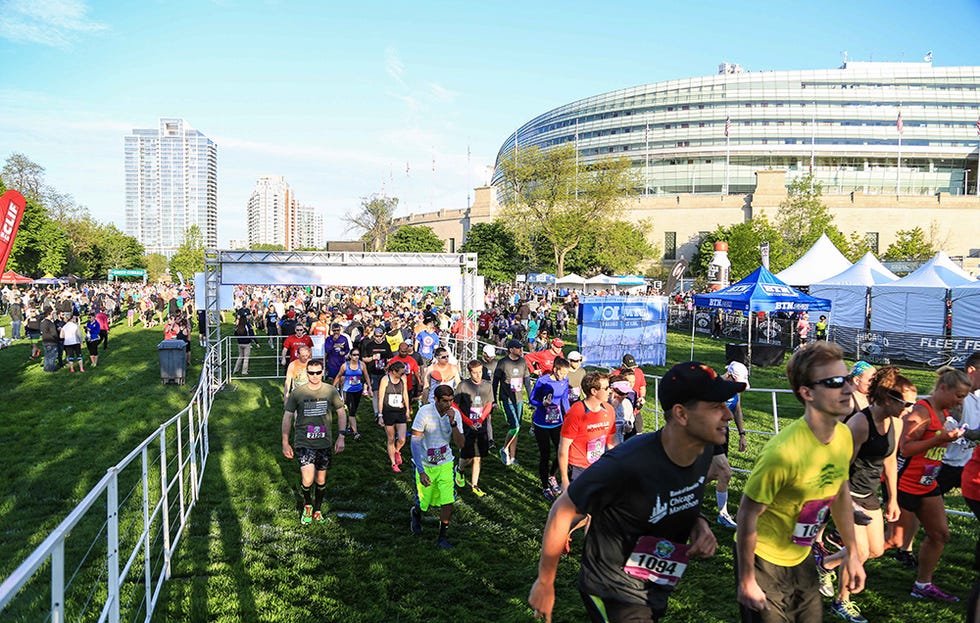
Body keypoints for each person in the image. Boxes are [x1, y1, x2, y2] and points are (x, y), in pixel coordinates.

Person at [528, 361, 743, 623]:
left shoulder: (703, 450)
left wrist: (698, 523)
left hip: (652, 587)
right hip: (611, 588)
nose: (729, 415)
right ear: (682, 414)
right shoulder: (628, 463)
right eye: (715, 407)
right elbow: (563, 509)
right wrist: (545, 582)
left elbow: (676, 491)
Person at [736, 341, 866, 623]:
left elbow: (840, 494)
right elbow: (747, 514)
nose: (848, 388)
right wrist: (746, 578)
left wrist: (853, 553)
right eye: (834, 382)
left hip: (801, 555)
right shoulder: (783, 452)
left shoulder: (843, 436)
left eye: (846, 378)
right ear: (807, 393)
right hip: (763, 560)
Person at [814, 367, 914, 622]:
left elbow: (890, 460)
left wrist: (892, 498)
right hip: (848, 492)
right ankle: (841, 602)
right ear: (890, 399)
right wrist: (846, 503)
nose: (911, 409)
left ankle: (825, 564)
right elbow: (840, 467)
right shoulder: (859, 423)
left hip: (870, 493)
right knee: (857, 550)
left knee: (876, 549)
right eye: (907, 403)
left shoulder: (897, 422)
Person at [890, 366, 969, 602]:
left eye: (964, 397)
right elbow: (905, 448)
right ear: (943, 388)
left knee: (940, 534)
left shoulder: (944, 413)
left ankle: (922, 585)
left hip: (927, 483)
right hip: (905, 483)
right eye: (958, 396)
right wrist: (940, 439)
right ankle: (833, 562)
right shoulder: (921, 413)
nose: (960, 402)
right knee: (890, 541)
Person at [281, 359, 348, 525]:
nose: (315, 376)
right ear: (306, 373)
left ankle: (317, 510)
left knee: (320, 480)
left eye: (318, 372)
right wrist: (285, 441)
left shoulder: (330, 391)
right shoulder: (298, 393)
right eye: (311, 373)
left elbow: (341, 412)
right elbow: (287, 416)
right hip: (304, 442)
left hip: (324, 442)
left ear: (323, 372)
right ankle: (308, 505)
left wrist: (341, 436)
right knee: (308, 479)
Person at [409, 384, 466, 549]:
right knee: (424, 502)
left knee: (448, 500)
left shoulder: (455, 414)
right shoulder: (425, 412)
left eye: (451, 400)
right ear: (436, 399)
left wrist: (453, 423)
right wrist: (420, 470)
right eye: (444, 401)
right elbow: (415, 442)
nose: (448, 404)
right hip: (426, 463)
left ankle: (442, 536)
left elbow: (461, 444)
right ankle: (416, 512)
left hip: (445, 463)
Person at [558, 371, 617, 494]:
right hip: (578, 468)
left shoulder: (609, 410)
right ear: (594, 391)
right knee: (579, 508)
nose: (610, 391)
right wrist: (564, 479)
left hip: (600, 465)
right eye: (606, 388)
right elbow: (563, 447)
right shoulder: (576, 412)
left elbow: (611, 442)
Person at [709, 361, 748, 529]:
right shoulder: (714, 386)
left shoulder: (734, 389)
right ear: (730, 376)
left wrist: (742, 434)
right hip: (709, 432)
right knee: (725, 472)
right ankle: (723, 515)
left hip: (724, 433)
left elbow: (737, 410)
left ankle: (683, 489)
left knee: (712, 473)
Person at [936, 351, 980, 496]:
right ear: (971, 370)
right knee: (923, 506)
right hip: (945, 464)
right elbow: (952, 430)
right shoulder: (957, 399)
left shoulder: (977, 396)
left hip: (965, 463)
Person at [530, 357, 572, 501]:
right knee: (545, 455)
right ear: (555, 369)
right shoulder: (543, 381)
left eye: (567, 373)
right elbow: (532, 399)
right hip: (541, 423)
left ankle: (552, 476)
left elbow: (565, 399)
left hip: (557, 422)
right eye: (562, 373)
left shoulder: (565, 381)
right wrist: (542, 404)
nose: (564, 376)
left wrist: (570, 416)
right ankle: (545, 487)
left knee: (562, 451)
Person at [455, 359, 495, 496]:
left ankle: (475, 485)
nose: (478, 375)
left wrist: (481, 419)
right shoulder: (463, 386)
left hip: (481, 424)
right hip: (467, 425)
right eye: (475, 373)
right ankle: (459, 469)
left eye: (480, 372)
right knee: (467, 455)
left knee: (478, 457)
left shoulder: (487, 386)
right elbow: (455, 405)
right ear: (469, 372)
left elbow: (489, 404)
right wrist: (467, 421)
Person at [493, 338, 531, 466]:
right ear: (511, 349)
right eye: (518, 348)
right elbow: (495, 382)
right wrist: (494, 399)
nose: (521, 350)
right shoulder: (503, 363)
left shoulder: (523, 362)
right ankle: (504, 449)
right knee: (514, 425)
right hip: (506, 399)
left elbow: (526, 381)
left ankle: (512, 457)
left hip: (519, 398)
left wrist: (531, 398)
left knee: (516, 428)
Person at [377, 360, 411, 472]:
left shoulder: (403, 379)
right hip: (388, 412)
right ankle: (393, 463)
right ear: (393, 372)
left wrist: (407, 409)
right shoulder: (385, 380)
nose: (403, 375)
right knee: (391, 438)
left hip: (400, 410)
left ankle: (396, 450)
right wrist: (380, 415)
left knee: (402, 439)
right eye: (401, 373)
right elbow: (380, 398)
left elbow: (405, 393)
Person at [333, 348, 371, 440]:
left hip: (358, 390)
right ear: (350, 356)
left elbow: (366, 376)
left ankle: (350, 427)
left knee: (354, 409)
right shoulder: (345, 366)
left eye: (358, 355)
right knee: (352, 411)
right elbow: (338, 376)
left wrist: (369, 386)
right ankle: (356, 433)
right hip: (348, 390)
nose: (356, 357)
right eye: (354, 355)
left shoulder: (362, 365)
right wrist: (333, 387)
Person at [361, 327, 394, 413]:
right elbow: (364, 358)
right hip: (373, 372)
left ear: (383, 335)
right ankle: (376, 412)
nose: (378, 338)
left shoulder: (386, 345)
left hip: (384, 372)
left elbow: (391, 358)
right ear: (374, 336)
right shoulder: (369, 345)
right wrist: (372, 358)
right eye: (377, 336)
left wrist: (388, 364)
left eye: (380, 336)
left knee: (384, 392)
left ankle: (383, 410)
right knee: (375, 393)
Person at [39, 308, 59, 373]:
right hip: (51, 341)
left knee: (47, 356)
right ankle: (51, 369)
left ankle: (46, 368)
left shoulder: (42, 322)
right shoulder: (50, 323)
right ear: (49, 314)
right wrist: (57, 338)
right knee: (52, 356)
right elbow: (54, 333)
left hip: (45, 340)